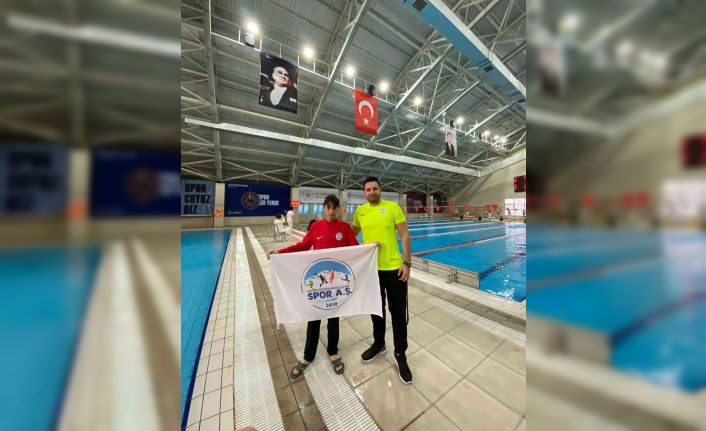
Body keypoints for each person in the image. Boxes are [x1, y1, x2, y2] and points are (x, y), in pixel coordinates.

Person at [268, 195, 358, 378]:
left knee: (333, 319)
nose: (331, 211)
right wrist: (280, 252)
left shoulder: (344, 228)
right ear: (324, 209)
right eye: (328, 207)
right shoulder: (316, 227)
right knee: (314, 318)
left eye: (334, 208)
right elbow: (303, 246)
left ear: (338, 209)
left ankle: (333, 352)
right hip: (318, 282)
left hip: (335, 283)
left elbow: (356, 249)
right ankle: (308, 356)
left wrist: (371, 248)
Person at [352, 177, 413, 384]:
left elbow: (405, 235)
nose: (371, 192)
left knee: (398, 314)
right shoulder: (360, 212)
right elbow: (351, 236)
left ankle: (400, 353)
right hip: (371, 270)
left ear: (380, 190)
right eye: (368, 189)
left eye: (375, 189)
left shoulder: (393, 207)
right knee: (376, 310)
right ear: (364, 193)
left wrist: (406, 263)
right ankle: (379, 344)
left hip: (394, 269)